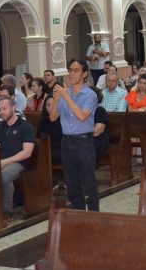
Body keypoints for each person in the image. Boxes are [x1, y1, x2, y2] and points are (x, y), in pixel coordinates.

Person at [50, 58, 100, 211]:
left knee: (88, 180)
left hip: (83, 141)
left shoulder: (90, 95)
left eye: (76, 70)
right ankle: (78, 213)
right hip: (66, 141)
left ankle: (94, 214)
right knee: (71, 182)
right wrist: (56, 100)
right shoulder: (65, 94)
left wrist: (66, 96)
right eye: (70, 70)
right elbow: (52, 117)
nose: (72, 73)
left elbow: (82, 116)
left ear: (84, 74)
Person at [0, 96, 35, 222]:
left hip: (19, 162)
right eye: (0, 109)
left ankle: (7, 211)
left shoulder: (25, 127)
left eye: (5, 108)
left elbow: (27, 153)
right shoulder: (0, 128)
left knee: (4, 175)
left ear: (13, 107)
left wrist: (6, 162)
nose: (2, 112)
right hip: (1, 161)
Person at [36, 95, 62, 177]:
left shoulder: (64, 120)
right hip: (45, 149)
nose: (51, 107)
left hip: (59, 150)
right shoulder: (43, 121)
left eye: (54, 104)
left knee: (43, 157)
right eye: (48, 105)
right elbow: (38, 138)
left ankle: (49, 179)